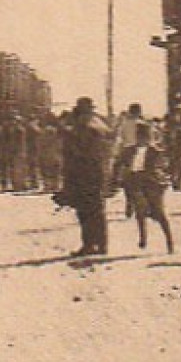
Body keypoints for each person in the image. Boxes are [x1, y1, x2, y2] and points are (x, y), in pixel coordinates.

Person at [61, 97, 112, 256]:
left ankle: (89, 245)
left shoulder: (86, 128)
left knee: (86, 210)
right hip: (97, 172)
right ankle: (101, 245)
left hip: (85, 174)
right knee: (97, 210)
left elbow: (82, 153)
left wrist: (69, 138)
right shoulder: (101, 125)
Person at [119, 124, 173, 252]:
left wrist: (161, 179)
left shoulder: (156, 151)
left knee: (159, 213)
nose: (142, 139)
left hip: (151, 183)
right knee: (140, 211)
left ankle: (169, 242)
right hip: (135, 182)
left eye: (145, 136)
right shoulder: (129, 150)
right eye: (140, 136)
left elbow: (163, 167)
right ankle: (143, 238)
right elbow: (122, 163)